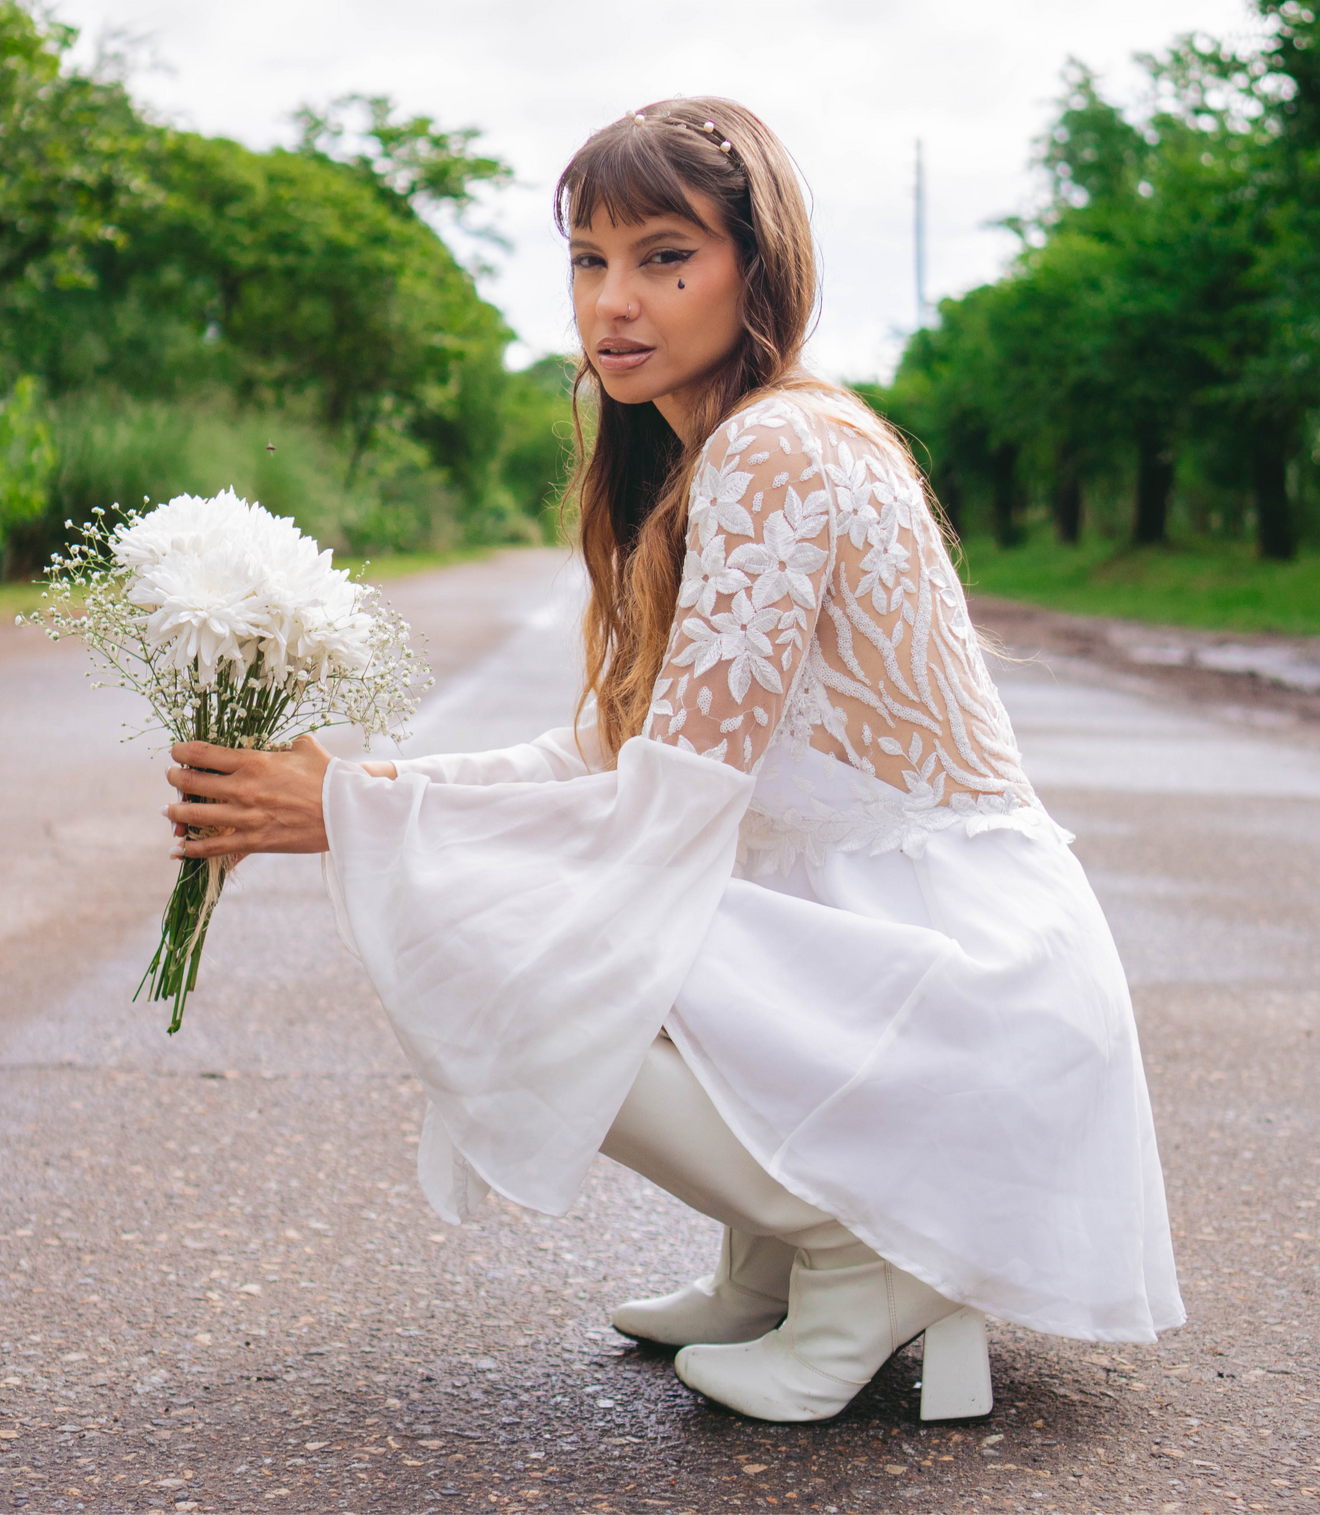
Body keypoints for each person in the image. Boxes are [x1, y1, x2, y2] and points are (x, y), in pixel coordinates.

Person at [162, 97, 1185, 1425]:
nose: (614, 302)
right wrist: (356, 795)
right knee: (562, 900)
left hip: (965, 987)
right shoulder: (717, 453)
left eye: (664, 256)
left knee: (520, 931)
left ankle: (859, 1252)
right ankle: (769, 1256)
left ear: (757, 270)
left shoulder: (774, 450)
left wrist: (356, 823)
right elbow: (597, 750)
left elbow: (660, 812)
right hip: (946, 958)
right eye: (590, 260)